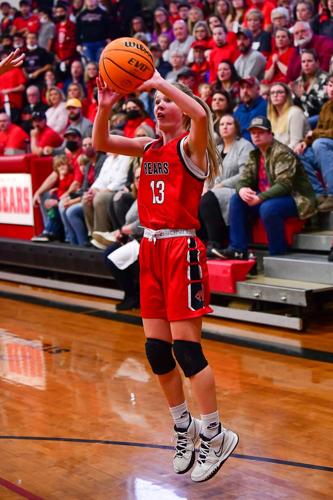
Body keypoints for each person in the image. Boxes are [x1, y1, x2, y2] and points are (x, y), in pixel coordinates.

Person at [93, 70, 239, 483]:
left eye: (166, 100)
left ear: (180, 107)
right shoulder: (148, 147)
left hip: (181, 250)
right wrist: (104, 108)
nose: (159, 104)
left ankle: (215, 434)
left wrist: (157, 81)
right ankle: (183, 428)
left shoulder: (192, 147)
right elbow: (101, 143)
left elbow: (201, 113)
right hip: (151, 249)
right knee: (157, 352)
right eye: (156, 101)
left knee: (188, 353)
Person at [220, 116, 316, 258]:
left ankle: (277, 253)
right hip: (270, 197)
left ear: (270, 134)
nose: (256, 135)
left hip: (296, 198)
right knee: (237, 199)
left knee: (269, 208)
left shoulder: (283, 153)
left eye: (261, 132)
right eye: (253, 133)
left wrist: (260, 197)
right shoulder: (255, 154)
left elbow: (284, 185)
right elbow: (244, 179)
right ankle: (238, 249)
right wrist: (242, 189)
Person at [199, 114, 254, 255]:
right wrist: (205, 187)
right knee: (198, 197)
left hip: (236, 189)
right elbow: (209, 174)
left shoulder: (244, 146)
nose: (225, 126)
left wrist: (222, 184)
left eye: (229, 124)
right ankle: (200, 242)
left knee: (208, 200)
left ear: (236, 127)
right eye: (222, 124)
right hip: (216, 190)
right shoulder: (216, 149)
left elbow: (245, 174)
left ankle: (215, 242)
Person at [294, 73, 333, 211]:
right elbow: (318, 131)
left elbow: (318, 133)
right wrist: (304, 142)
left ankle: (332, 194)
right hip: (325, 148)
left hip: (326, 147)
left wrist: (314, 135)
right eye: (330, 85)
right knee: (299, 153)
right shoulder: (326, 106)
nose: (332, 89)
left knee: (320, 144)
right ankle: (319, 194)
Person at [267, 82, 308, 150]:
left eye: (280, 92)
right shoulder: (270, 117)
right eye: (272, 93)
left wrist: (277, 156)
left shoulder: (295, 113)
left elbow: (296, 143)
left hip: (296, 155)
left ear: (287, 96)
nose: (275, 95)